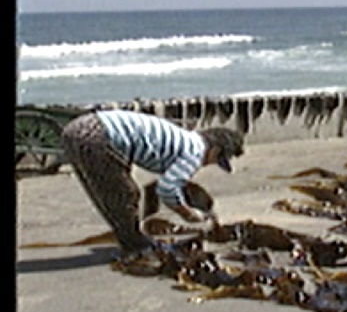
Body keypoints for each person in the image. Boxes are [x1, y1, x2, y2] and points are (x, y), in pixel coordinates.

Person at [60, 109, 245, 255]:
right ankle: (134, 243)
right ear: (215, 150)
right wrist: (187, 214)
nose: (209, 164)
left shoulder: (185, 139)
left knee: (104, 192)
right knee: (126, 193)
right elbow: (166, 189)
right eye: (216, 160)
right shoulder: (195, 153)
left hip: (78, 129)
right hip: (97, 136)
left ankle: (128, 237)